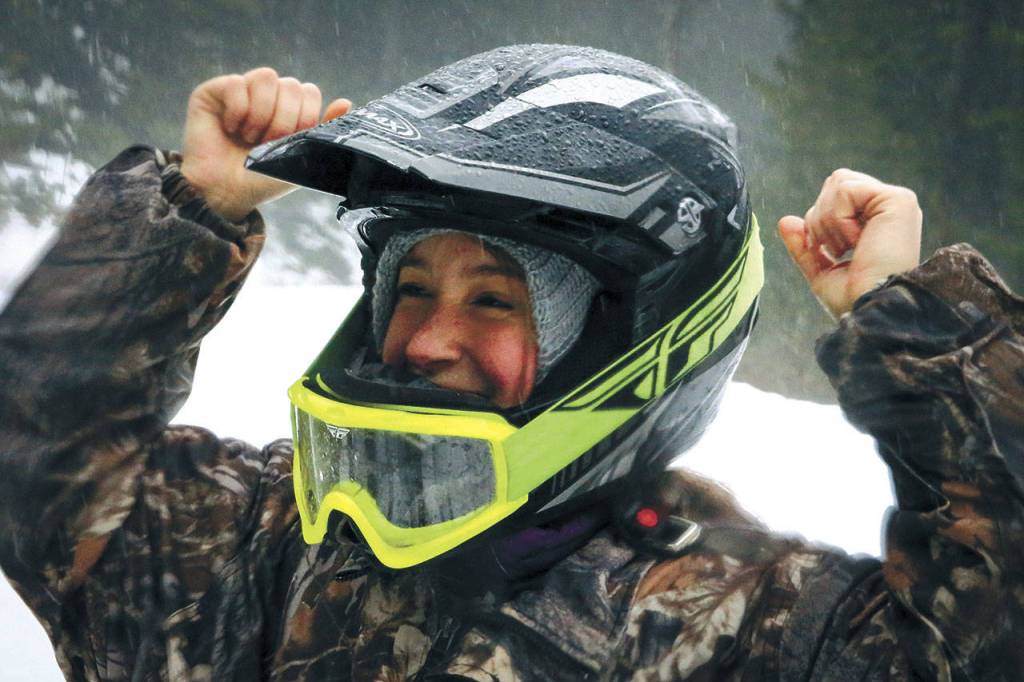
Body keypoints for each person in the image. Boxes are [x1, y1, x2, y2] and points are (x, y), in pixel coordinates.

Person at [0, 44, 1021, 681]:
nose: (431, 338)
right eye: (410, 290)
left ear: (624, 344)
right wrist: (192, 210)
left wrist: (921, 333)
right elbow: (34, 464)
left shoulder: (731, 624)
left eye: (494, 299)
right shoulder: (253, 542)